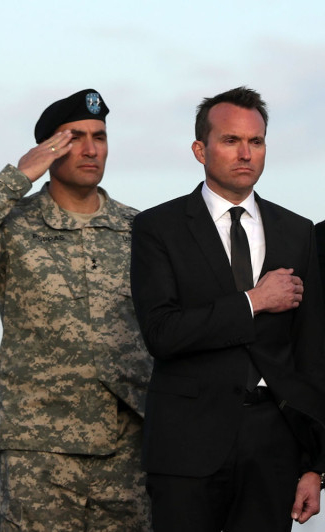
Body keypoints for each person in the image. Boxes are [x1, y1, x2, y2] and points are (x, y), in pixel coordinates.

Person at [0, 89, 152, 531]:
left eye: (99, 137)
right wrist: (18, 177)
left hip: (128, 456)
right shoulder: (12, 224)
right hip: (37, 453)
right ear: (47, 148)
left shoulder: (142, 230)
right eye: (74, 137)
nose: (90, 148)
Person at [130, 86, 325, 532]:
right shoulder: (157, 227)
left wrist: (315, 463)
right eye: (231, 140)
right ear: (200, 149)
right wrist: (254, 302)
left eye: (255, 142)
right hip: (186, 442)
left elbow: (310, 353)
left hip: (273, 445)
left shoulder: (297, 231)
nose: (245, 153)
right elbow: (162, 333)